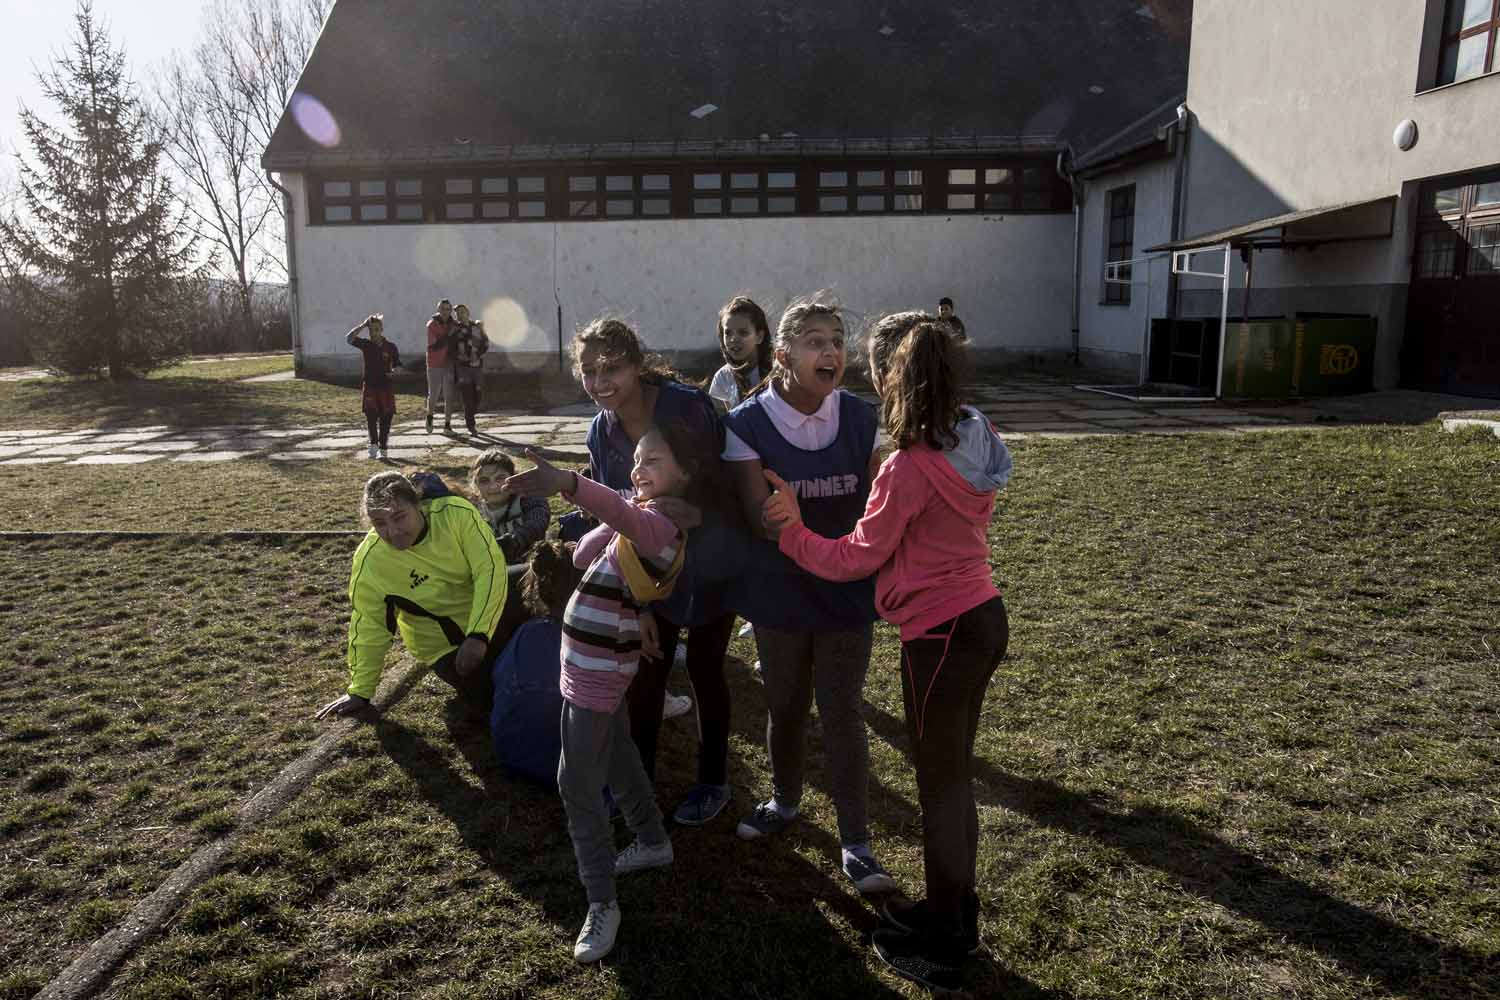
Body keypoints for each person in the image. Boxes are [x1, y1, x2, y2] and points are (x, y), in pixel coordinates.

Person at [763, 313, 1011, 995]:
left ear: (883, 376)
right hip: (986, 617)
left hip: (939, 636)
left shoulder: (906, 466)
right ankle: (951, 909)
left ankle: (948, 939)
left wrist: (791, 531)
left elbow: (853, 559)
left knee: (940, 790)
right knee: (953, 779)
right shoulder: (976, 433)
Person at [503, 427, 710, 965]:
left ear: (684, 474)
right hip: (589, 665)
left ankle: (601, 901)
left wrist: (568, 483)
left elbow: (624, 522)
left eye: (654, 462)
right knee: (619, 755)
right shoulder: (641, 522)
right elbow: (583, 556)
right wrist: (618, 506)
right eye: (637, 461)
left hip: (597, 671)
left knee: (575, 785)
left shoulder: (659, 529)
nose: (639, 469)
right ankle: (652, 839)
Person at [720, 296, 894, 894]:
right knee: (787, 706)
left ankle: (857, 843)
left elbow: (880, 507)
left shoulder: (864, 417)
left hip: (846, 587)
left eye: (838, 340)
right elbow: (755, 517)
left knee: (842, 710)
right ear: (785, 353)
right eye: (817, 340)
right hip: (781, 592)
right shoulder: (746, 423)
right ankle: (786, 801)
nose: (832, 351)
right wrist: (783, 520)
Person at [571, 317, 740, 827]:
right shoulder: (600, 431)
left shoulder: (687, 408)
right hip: (650, 574)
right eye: (588, 371)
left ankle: (712, 782)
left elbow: (735, 480)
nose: (600, 383)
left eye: (612, 369)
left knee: (708, 669)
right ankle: (636, 792)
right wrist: (636, 602)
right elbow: (618, 517)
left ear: (638, 365)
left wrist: (702, 515)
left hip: (712, 561)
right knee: (646, 678)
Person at [315, 471, 507, 721]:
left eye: (399, 517)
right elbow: (369, 625)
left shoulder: (456, 514)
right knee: (497, 693)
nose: (393, 532)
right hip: (448, 645)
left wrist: (479, 634)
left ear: (419, 505)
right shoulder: (371, 560)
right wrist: (360, 692)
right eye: (380, 523)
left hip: (487, 619)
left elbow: (490, 570)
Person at [490, 540, 582, 789]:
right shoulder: (590, 642)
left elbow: (500, 677)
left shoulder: (525, 634)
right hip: (566, 766)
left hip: (512, 754)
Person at [470, 448, 550, 562]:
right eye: (484, 480)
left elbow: (537, 524)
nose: (493, 486)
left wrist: (510, 542)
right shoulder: (471, 510)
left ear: (513, 476)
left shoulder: (529, 499)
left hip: (528, 568)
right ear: (476, 484)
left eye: (500, 478)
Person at [346, 314, 402, 460]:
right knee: (371, 417)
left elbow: (398, 366)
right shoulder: (365, 344)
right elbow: (349, 338)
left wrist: (394, 373)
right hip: (370, 386)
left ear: (382, 329)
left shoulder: (391, 347)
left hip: (386, 387)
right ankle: (373, 445)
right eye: (371, 330)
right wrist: (363, 325)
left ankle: (383, 447)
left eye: (377, 329)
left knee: (386, 418)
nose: (374, 333)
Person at [707, 295, 773, 411]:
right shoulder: (723, 377)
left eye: (743, 332)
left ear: (759, 336)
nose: (733, 339)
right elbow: (724, 420)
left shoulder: (776, 371)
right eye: (728, 333)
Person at [451, 303, 489, 436]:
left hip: (477, 367)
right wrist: (461, 356)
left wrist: (477, 355)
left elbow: (485, 343)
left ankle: (471, 412)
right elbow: (451, 348)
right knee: (467, 396)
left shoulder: (476, 327)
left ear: (468, 312)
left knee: (477, 395)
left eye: (462, 312)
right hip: (463, 368)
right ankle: (471, 425)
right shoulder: (455, 329)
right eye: (457, 313)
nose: (460, 315)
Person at [425, 298, 459, 434]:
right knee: (433, 395)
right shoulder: (431, 324)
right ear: (438, 310)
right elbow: (435, 345)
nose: (445, 312)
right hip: (434, 364)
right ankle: (429, 416)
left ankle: (447, 425)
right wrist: (450, 335)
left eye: (448, 309)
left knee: (449, 395)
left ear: (451, 310)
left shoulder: (454, 324)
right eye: (443, 309)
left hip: (449, 364)